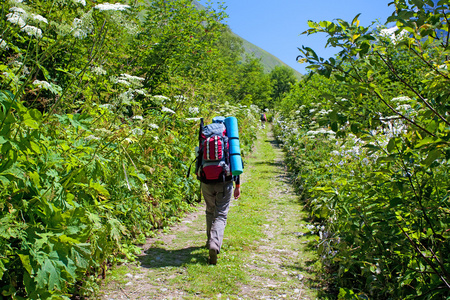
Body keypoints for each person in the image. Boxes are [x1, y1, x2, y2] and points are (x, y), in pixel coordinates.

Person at [201, 175, 240, 265]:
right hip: (224, 182)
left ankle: (209, 241)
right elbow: (236, 167)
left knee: (210, 211)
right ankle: (214, 243)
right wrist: (237, 186)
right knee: (220, 215)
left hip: (206, 182)